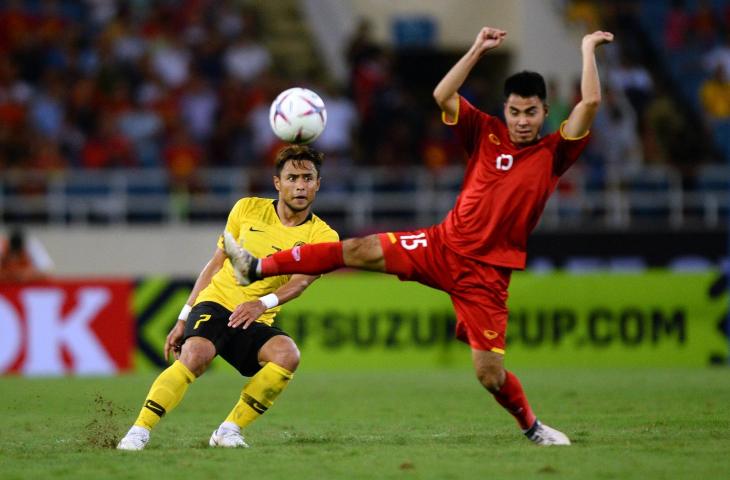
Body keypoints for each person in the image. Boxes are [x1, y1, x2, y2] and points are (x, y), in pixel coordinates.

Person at [224, 27, 614, 446]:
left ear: (544, 112)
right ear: (506, 110)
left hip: (486, 274)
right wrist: (477, 48)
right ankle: (257, 266)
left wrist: (587, 48)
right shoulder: (487, 132)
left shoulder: (554, 152)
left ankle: (531, 427)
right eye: (515, 112)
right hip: (440, 245)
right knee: (356, 248)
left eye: (530, 113)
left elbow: (590, 102)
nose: (521, 121)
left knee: (489, 373)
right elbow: (443, 95)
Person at [117, 145, 338, 450]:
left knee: (288, 356)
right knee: (195, 356)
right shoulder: (246, 208)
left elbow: (301, 283)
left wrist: (262, 304)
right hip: (217, 302)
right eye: (292, 177)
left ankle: (228, 430)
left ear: (317, 184)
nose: (299, 185)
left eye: (307, 178)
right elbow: (216, 263)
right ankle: (139, 431)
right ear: (278, 182)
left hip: (255, 315)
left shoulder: (324, 237)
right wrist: (183, 316)